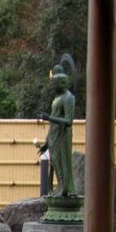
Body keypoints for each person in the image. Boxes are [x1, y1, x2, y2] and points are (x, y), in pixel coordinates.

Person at [36, 63, 76, 197]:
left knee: (61, 161)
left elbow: (68, 121)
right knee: (55, 161)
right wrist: (46, 144)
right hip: (54, 135)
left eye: (54, 83)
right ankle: (59, 187)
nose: (52, 86)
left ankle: (65, 188)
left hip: (62, 135)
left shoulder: (68, 98)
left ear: (62, 83)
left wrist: (49, 118)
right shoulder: (56, 99)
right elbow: (52, 124)